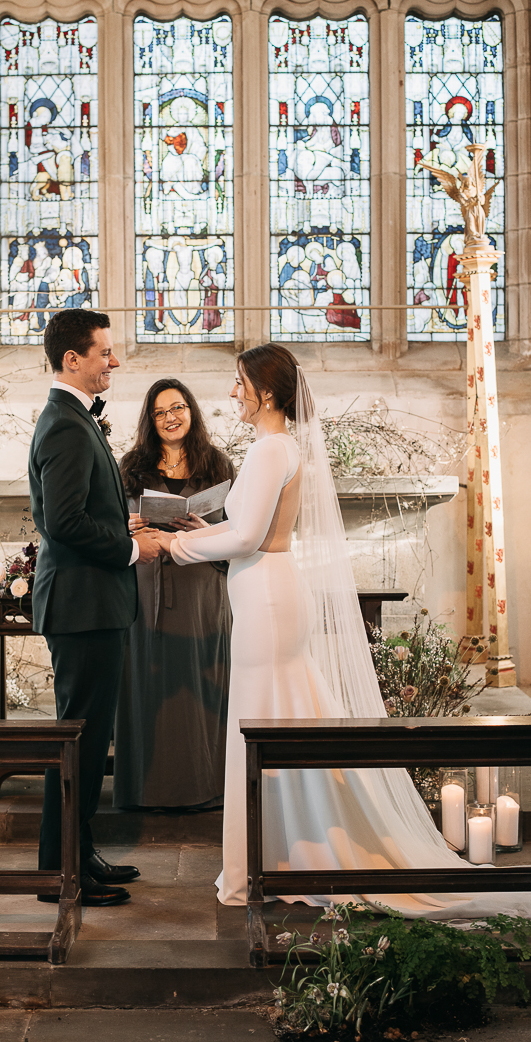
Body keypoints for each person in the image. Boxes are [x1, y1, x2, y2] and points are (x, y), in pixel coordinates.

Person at [154, 343, 531, 919]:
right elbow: (248, 530)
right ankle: (280, 853)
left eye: (239, 383)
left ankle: (274, 859)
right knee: (280, 718)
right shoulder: (281, 448)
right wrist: (204, 528)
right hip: (270, 591)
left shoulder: (267, 451)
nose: (234, 393)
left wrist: (171, 544)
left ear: (267, 393)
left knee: (261, 725)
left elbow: (248, 538)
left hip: (267, 597)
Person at [28, 308, 162, 907]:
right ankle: (62, 872)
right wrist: (133, 546)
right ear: (71, 360)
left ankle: (76, 855)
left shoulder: (74, 419)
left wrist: (121, 521)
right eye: (104, 352)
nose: (114, 361)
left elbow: (81, 514)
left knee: (85, 737)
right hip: (83, 608)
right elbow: (63, 524)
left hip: (93, 606)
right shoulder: (63, 424)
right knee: (78, 742)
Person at [115, 379, 235, 810]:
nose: (171, 417)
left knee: (202, 689)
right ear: (151, 419)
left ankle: (206, 788)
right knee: (149, 684)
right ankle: (146, 792)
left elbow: (239, 530)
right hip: (148, 586)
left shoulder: (218, 465)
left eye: (178, 407)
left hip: (202, 588)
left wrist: (207, 530)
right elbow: (112, 522)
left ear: (191, 411)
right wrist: (124, 526)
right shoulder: (130, 466)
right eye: (161, 411)